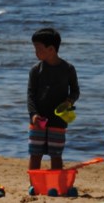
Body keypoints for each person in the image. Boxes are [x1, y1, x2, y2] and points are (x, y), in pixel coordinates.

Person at [27, 27, 79, 172]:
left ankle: (55, 183)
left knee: (56, 154)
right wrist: (33, 115)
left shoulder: (68, 69)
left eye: (39, 49)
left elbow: (75, 91)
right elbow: (30, 95)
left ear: (51, 49)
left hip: (58, 120)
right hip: (38, 119)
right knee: (35, 154)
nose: (36, 53)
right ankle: (34, 185)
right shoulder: (36, 70)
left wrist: (69, 101)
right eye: (35, 49)